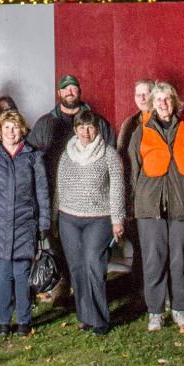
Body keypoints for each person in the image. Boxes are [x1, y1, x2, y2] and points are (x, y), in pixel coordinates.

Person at [128, 82, 184, 331]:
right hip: (150, 206)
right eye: (158, 100)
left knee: (180, 260)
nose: (163, 103)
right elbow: (133, 171)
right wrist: (134, 205)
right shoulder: (141, 131)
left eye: (167, 99)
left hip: (181, 205)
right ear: (152, 104)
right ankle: (156, 312)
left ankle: (180, 309)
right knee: (153, 260)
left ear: (175, 101)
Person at [0, 109, 50, 336]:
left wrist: (44, 222)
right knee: (3, 274)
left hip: (25, 224)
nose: (11, 132)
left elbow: (42, 192)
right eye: (6, 127)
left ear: (22, 130)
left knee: (21, 274)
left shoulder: (33, 156)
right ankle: (4, 321)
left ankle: (24, 320)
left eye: (15, 127)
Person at [57, 110, 125, 335]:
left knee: (93, 265)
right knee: (77, 268)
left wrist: (117, 220)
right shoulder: (67, 154)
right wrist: (56, 217)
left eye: (90, 127)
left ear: (97, 129)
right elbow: (59, 188)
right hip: (69, 220)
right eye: (81, 127)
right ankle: (85, 316)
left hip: (99, 219)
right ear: (75, 129)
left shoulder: (108, 154)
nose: (86, 132)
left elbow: (117, 189)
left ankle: (100, 319)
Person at [116, 79, 153, 307]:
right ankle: (140, 291)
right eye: (137, 94)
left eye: (146, 93)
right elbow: (121, 159)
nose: (141, 98)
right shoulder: (129, 124)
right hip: (135, 195)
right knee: (140, 246)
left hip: (157, 193)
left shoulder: (165, 119)